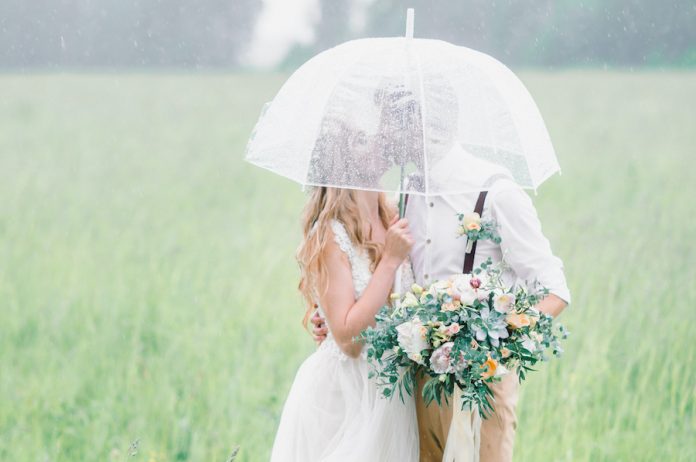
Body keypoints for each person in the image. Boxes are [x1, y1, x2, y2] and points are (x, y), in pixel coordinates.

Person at [270, 109, 420, 461]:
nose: (378, 142)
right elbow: (350, 341)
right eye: (361, 140)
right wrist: (390, 261)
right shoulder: (330, 234)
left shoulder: (394, 215)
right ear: (341, 160)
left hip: (395, 388)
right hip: (350, 398)